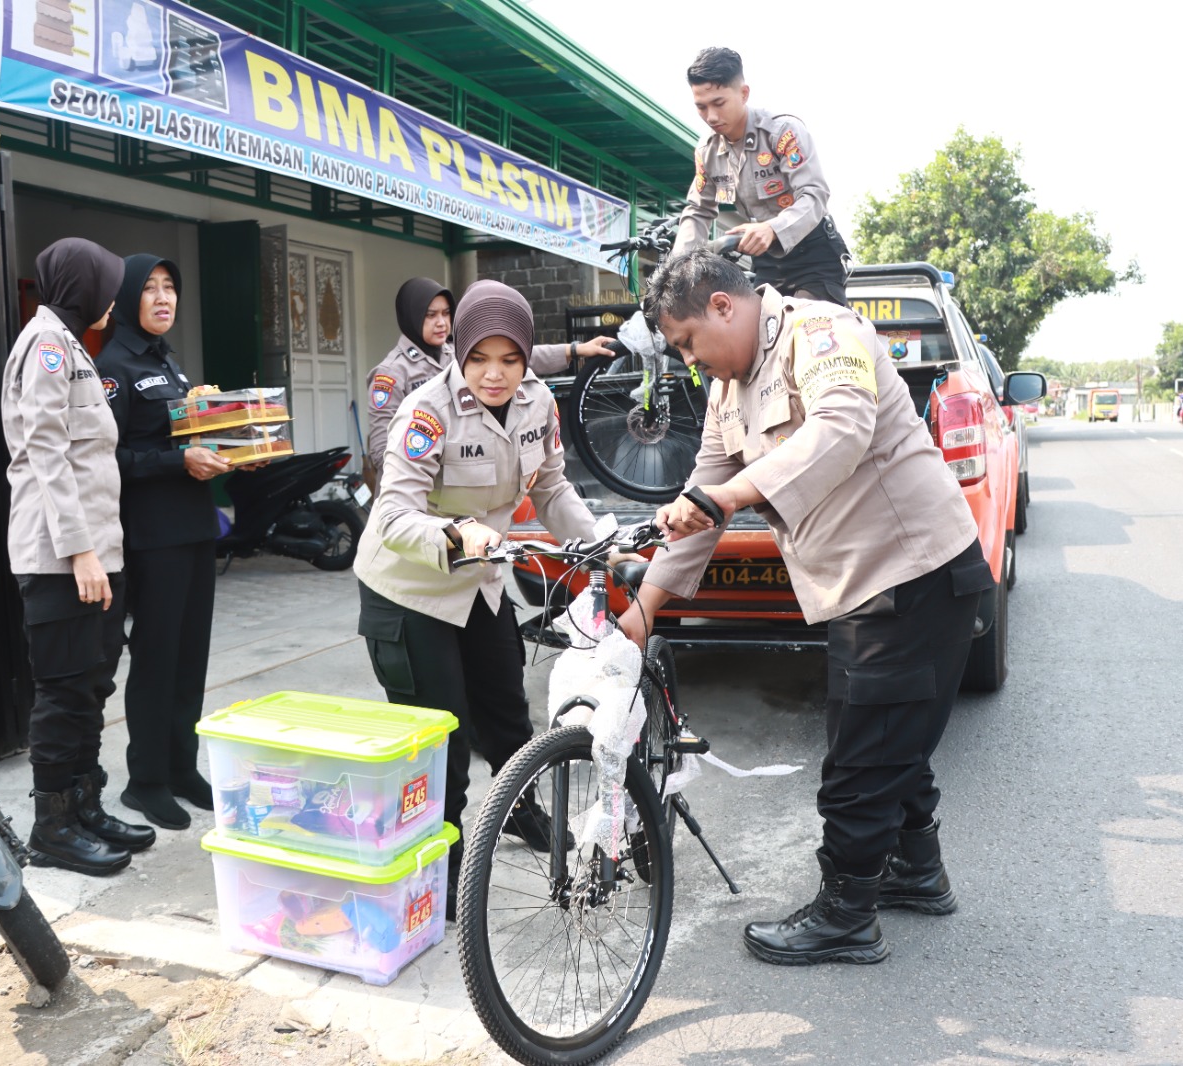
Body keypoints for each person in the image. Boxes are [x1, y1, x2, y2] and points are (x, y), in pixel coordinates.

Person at [618, 249, 994, 965]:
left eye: (690, 342)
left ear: (724, 306)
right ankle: (916, 870)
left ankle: (848, 914)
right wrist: (646, 608)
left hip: (912, 574)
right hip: (859, 586)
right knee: (887, 740)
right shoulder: (728, 392)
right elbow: (702, 499)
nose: (692, 362)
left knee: (859, 761)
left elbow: (840, 430)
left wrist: (729, 496)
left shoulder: (822, 335)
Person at [353, 280, 597, 920]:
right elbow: (392, 517)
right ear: (458, 351)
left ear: (525, 359)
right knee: (446, 742)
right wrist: (456, 533)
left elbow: (551, 488)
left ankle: (517, 811)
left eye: (510, 359)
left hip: (481, 582)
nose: (495, 374)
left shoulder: (538, 403)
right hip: (412, 588)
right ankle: (446, 868)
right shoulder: (426, 411)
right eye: (480, 358)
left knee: (510, 717)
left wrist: (598, 541)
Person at [2, 236, 151, 877]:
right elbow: (48, 454)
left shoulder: (70, 347)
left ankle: (85, 805)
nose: (114, 301)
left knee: (92, 683)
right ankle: (53, 826)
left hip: (93, 553)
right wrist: (82, 553)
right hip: (61, 556)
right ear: (81, 287)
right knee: (64, 692)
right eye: (107, 288)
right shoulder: (46, 348)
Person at [95, 255, 238, 831]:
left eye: (170, 288)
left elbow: (181, 436)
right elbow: (106, 458)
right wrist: (176, 459)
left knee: (189, 659)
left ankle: (181, 767)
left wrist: (213, 422)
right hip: (151, 538)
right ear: (129, 296)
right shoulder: (113, 367)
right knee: (155, 661)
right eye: (150, 288)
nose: (162, 298)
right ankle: (145, 780)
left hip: (194, 529)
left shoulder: (172, 366)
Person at [365, 276, 617, 486]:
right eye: (430, 315)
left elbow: (524, 356)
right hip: (415, 503)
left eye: (445, 313)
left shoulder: (455, 352)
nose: (441, 322)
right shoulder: (391, 374)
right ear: (410, 316)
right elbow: (381, 450)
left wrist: (575, 350)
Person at [671, 46, 849, 302]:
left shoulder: (782, 132)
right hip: (767, 261)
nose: (711, 116)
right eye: (701, 107)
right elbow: (698, 211)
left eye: (719, 103)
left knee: (807, 328)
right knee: (762, 334)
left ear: (743, 94)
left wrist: (773, 229)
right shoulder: (706, 150)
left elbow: (814, 195)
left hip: (814, 255)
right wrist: (676, 270)